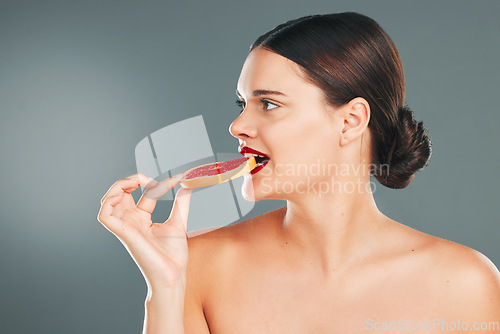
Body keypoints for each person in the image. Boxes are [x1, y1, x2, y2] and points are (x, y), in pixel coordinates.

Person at [98, 12, 500, 333]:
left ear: (350, 121)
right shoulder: (200, 265)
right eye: (242, 104)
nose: (237, 127)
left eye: (268, 104)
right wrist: (165, 287)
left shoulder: (465, 284)